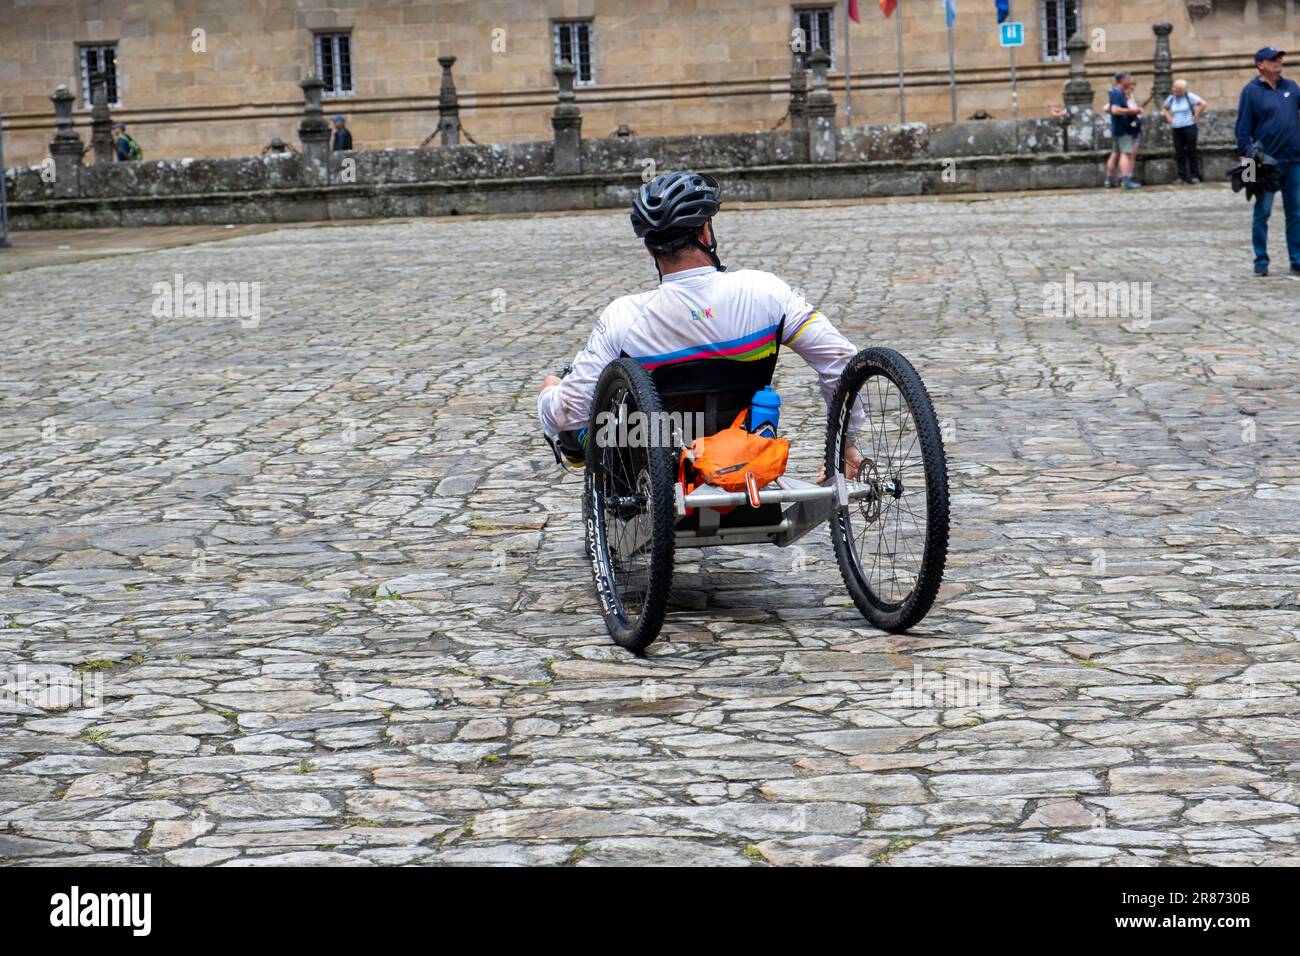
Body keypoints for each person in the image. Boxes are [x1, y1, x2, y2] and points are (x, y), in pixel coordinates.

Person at [536, 171, 862, 478]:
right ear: (706, 231)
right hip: (742, 449)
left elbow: (569, 411)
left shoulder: (623, 317)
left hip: (655, 465)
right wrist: (845, 444)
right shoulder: (766, 292)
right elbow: (841, 360)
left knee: (568, 388)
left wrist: (549, 394)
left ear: (650, 247)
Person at [1235, 47, 1300, 277]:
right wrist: (1247, 169)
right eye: (1273, 59)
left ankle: (1297, 260)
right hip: (1265, 166)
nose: (1279, 61)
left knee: (1296, 213)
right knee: (1262, 212)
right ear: (1260, 64)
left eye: (1280, 58)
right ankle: (1260, 261)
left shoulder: (1291, 87)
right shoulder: (1251, 92)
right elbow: (1243, 132)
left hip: (1294, 161)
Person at [1162, 79, 1207, 184]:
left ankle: (1194, 175)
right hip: (1176, 128)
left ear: (1182, 90)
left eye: (1176, 89)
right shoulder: (1172, 98)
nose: (1174, 90)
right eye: (1174, 88)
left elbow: (1203, 103)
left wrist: (1196, 115)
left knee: (1191, 152)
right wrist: (1168, 117)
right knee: (1179, 153)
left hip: (1189, 127)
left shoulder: (1189, 96)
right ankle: (1182, 176)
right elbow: (1164, 108)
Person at [1104, 72, 1142, 189]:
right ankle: (1126, 181)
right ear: (1123, 80)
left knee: (1115, 153)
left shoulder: (1115, 92)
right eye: (1129, 78)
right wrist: (1133, 111)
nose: (1131, 81)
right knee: (1125, 154)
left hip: (1117, 127)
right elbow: (1115, 110)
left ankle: (1109, 180)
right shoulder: (1117, 93)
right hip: (1123, 128)